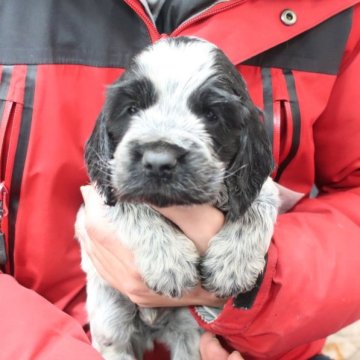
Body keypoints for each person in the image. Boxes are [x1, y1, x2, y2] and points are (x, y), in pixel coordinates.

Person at [0, 1, 360, 359]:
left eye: (211, 114)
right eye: (133, 108)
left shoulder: (341, 12)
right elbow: (103, 192)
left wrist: (266, 281)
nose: (158, 158)